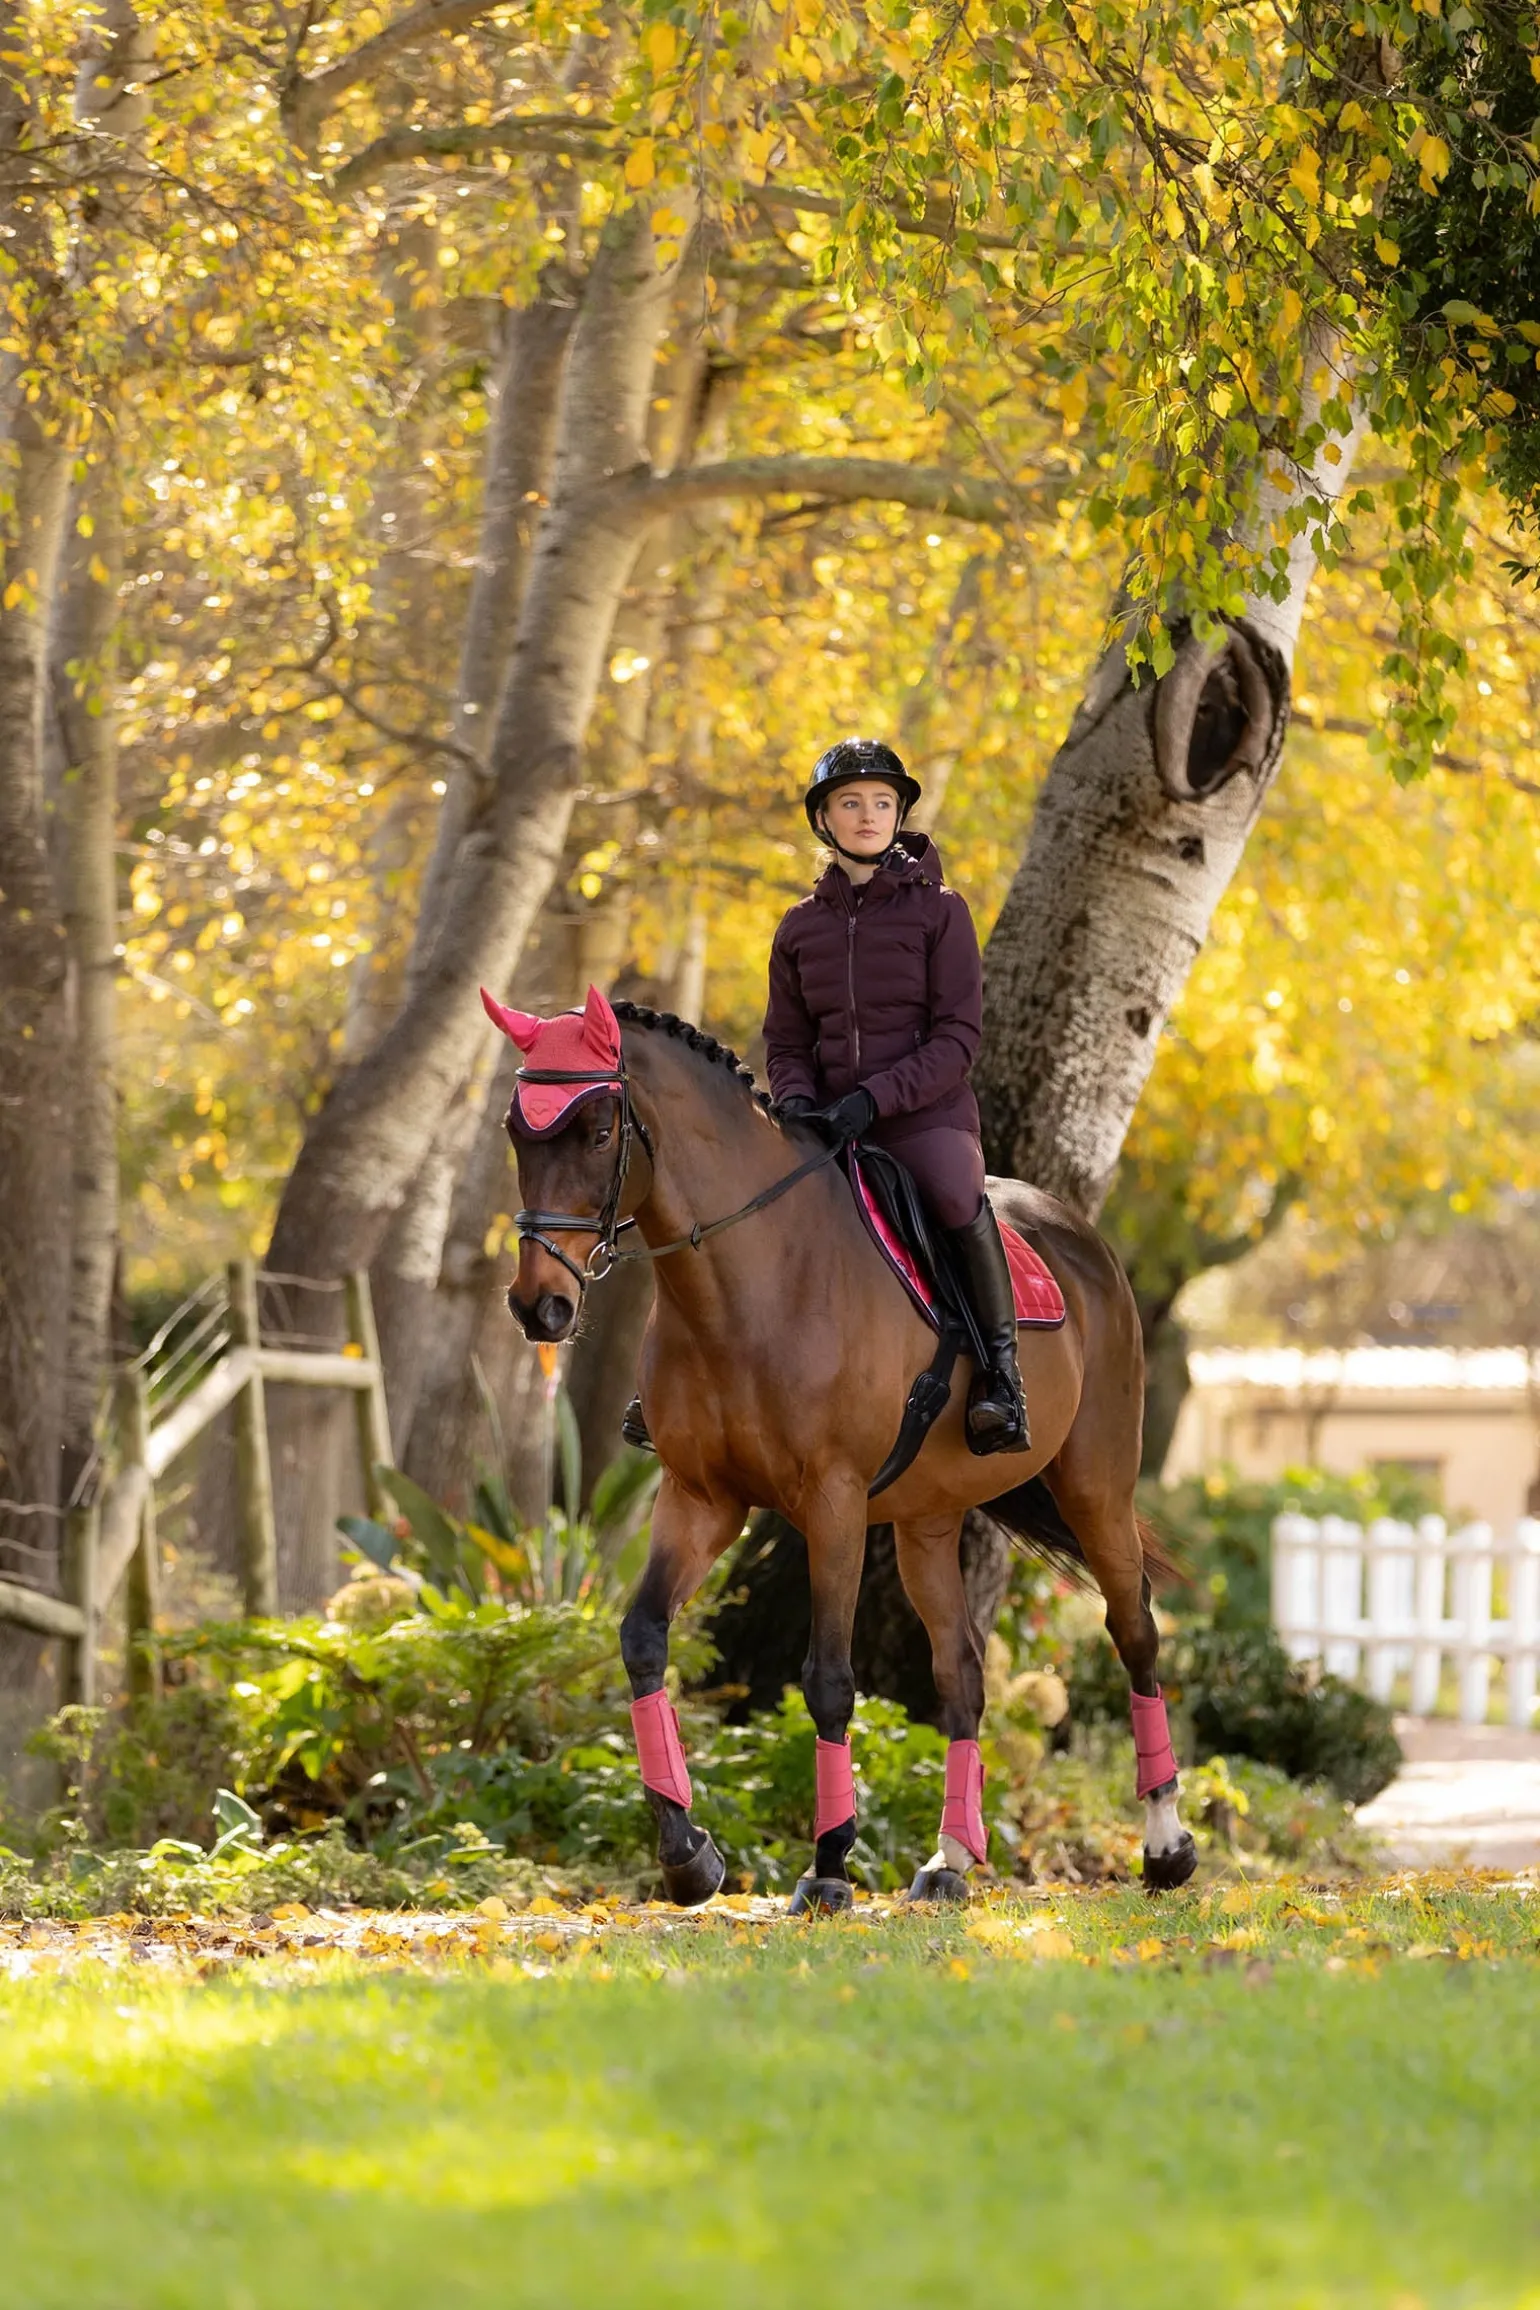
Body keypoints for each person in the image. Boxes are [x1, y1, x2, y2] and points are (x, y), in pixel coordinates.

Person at [759, 737, 1029, 1455]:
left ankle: (1002, 1377)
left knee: (950, 1195)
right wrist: (793, 1101)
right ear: (825, 820)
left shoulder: (942, 912)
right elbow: (786, 1043)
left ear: (899, 813)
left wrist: (874, 1101)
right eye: (851, 803)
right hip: (824, 1121)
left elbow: (957, 1037)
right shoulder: (798, 928)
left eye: (882, 802)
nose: (868, 814)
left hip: (921, 1118)